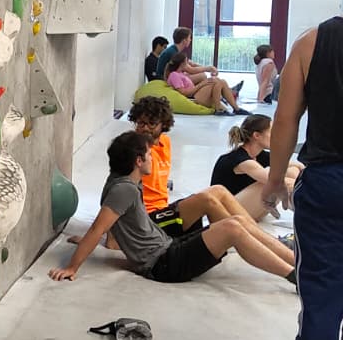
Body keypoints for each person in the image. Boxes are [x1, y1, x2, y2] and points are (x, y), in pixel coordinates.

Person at [50, 131, 298, 286]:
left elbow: (114, 223)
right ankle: (294, 276)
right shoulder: (123, 189)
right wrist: (72, 267)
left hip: (168, 245)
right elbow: (98, 227)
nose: (152, 158)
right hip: (163, 264)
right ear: (138, 161)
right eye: (148, 155)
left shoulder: (122, 180)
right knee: (233, 227)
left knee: (237, 221)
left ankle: (296, 262)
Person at [78, 97, 296, 272]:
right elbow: (115, 194)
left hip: (164, 213)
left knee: (217, 194)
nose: (143, 129)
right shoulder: (134, 152)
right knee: (217, 208)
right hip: (151, 222)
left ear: (163, 126)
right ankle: (242, 240)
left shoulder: (164, 144)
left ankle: (267, 246)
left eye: (150, 124)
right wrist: (111, 237)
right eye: (139, 123)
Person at [262, 14, 343, 340]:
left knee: (322, 303)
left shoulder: (312, 43)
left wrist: (275, 181)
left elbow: (286, 119)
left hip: (328, 184)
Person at [211, 113, 301, 220]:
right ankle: (309, 214)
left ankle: (304, 211)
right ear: (257, 136)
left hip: (240, 208)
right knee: (274, 182)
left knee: (291, 171)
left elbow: (297, 166)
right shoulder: (240, 159)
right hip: (223, 214)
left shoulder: (260, 154)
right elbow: (275, 180)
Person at [156, 26, 243, 108]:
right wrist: (208, 69)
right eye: (189, 38)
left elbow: (192, 64)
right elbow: (191, 70)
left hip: (174, 76)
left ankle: (224, 92)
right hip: (163, 79)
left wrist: (208, 68)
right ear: (184, 40)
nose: (190, 40)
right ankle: (217, 94)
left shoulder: (175, 49)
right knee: (203, 76)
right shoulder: (173, 52)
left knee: (203, 75)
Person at [166, 52, 241, 113]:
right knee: (216, 81)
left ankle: (236, 108)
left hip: (195, 94)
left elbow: (195, 70)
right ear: (182, 64)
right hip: (193, 97)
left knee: (222, 81)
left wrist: (204, 82)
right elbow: (184, 93)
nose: (188, 64)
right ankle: (218, 109)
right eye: (186, 62)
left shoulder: (181, 73)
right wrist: (202, 84)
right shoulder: (174, 75)